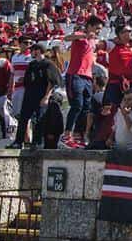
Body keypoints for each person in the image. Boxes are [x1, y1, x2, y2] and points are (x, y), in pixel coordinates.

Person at [62, 16, 104, 145]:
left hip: (88, 77)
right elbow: (67, 38)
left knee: (86, 108)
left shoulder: (93, 42)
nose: (98, 31)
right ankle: (66, 135)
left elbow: (91, 59)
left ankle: (78, 136)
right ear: (89, 26)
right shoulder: (81, 35)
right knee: (77, 105)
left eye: (100, 29)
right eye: (97, 28)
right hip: (75, 75)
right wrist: (84, 35)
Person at [11, 42, 59, 148]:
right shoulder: (32, 64)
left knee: (38, 119)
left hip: (41, 95)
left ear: (38, 51)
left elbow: (51, 82)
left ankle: (37, 142)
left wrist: (46, 97)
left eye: (33, 50)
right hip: (29, 95)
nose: (31, 52)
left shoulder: (48, 64)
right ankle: (18, 141)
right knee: (23, 118)